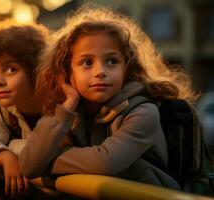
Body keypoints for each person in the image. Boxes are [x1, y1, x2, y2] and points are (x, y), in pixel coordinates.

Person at [18, 7, 198, 190]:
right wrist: (64, 112)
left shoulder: (143, 112)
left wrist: (48, 159)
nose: (100, 72)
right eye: (87, 63)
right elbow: (28, 165)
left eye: (112, 61)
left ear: (126, 67)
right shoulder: (67, 112)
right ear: (67, 71)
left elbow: (104, 163)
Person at [0, 21, 49, 198]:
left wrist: (11, 146)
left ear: (37, 68)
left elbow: (48, 151)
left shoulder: (58, 107)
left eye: (11, 69)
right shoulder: (2, 111)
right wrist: (4, 156)